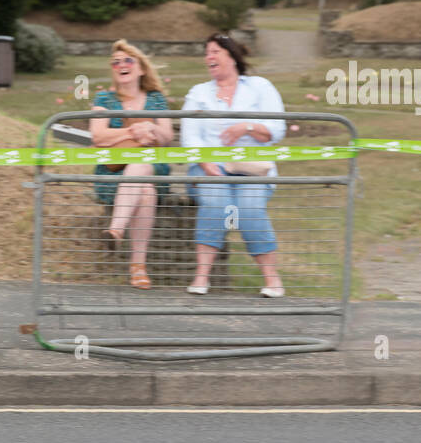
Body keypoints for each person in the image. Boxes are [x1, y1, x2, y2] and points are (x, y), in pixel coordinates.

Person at [180, 33, 285, 296]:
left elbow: (277, 129)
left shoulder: (260, 87)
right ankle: (201, 278)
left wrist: (246, 126)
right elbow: (189, 135)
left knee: (248, 208)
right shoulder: (199, 93)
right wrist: (204, 160)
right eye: (206, 53)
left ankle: (272, 281)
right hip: (209, 167)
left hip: (251, 168)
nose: (209, 57)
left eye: (215, 51)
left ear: (231, 56)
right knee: (217, 202)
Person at [89, 39, 173, 289]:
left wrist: (152, 130)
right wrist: (132, 132)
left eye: (127, 60)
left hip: (152, 167)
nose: (121, 64)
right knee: (146, 190)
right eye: (115, 62)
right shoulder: (104, 98)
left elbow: (167, 137)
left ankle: (115, 230)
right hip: (113, 171)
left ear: (141, 68)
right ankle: (138, 266)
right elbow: (98, 136)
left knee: (142, 166)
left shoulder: (155, 99)